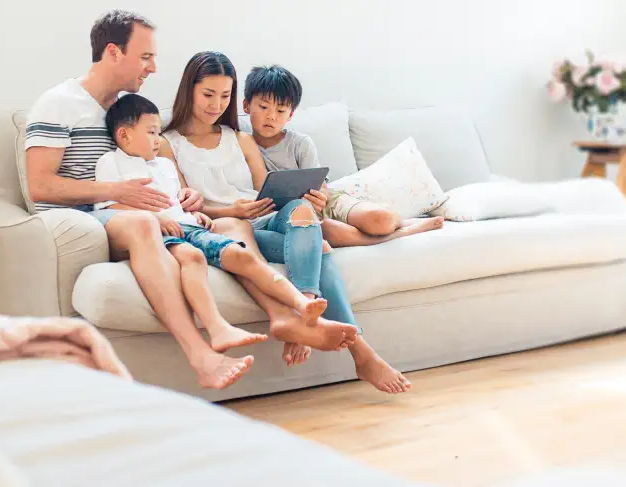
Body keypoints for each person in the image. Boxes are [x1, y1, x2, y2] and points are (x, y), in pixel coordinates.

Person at [23, 10, 254, 389]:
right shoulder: (58, 104)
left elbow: (154, 169)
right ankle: (200, 356)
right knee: (145, 223)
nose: (154, 68)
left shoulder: (128, 112)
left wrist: (183, 195)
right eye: (146, 57)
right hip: (76, 218)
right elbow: (41, 187)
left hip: (126, 215)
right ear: (113, 52)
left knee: (196, 237)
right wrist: (116, 193)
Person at [159, 51, 412, 394]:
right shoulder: (166, 144)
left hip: (264, 220)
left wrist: (290, 200)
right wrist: (231, 211)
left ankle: (306, 305)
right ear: (189, 90)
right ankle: (361, 353)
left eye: (224, 96)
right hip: (226, 228)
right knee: (319, 246)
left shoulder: (240, 138)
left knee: (299, 208)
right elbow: (183, 208)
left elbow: (269, 194)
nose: (216, 104)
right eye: (208, 94)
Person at [97, 94, 347, 372]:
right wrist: (156, 218)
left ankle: (301, 304)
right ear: (124, 135)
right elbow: (110, 206)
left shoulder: (164, 166)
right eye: (151, 132)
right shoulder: (111, 162)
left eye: (158, 132)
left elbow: (176, 203)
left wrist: (195, 211)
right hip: (167, 233)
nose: (157, 139)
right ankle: (222, 327)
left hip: (192, 226)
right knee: (193, 259)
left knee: (242, 255)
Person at [242, 65, 444, 248]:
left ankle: (402, 223)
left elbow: (321, 187)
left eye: (280, 110)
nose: (271, 116)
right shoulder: (239, 145)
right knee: (327, 231)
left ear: (290, 115)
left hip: (328, 203)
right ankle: (401, 233)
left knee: (380, 220)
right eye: (263, 107)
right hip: (293, 218)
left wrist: (319, 198)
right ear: (246, 106)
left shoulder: (300, 143)